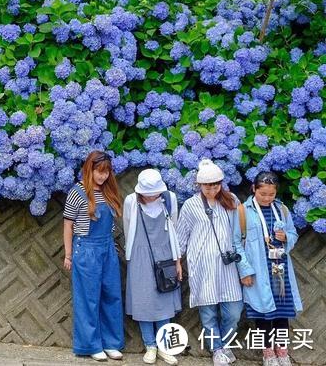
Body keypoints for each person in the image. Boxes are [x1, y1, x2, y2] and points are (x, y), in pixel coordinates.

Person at [176, 159, 243, 366]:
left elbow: (241, 232)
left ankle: (225, 344)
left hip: (228, 266)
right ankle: (217, 349)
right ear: (199, 185)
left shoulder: (232, 201)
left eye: (215, 185)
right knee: (208, 312)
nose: (212, 189)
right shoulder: (190, 205)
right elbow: (181, 236)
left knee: (233, 310)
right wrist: (178, 262)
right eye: (207, 186)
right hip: (202, 266)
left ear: (221, 183)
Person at [232, 171, 302, 366]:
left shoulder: (282, 209)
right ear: (254, 189)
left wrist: (286, 237)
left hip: (281, 272)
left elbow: (293, 234)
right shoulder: (243, 211)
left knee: (282, 314)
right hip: (259, 272)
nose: (267, 198)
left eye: (271, 194)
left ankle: (282, 352)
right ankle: (268, 354)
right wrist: (245, 271)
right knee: (262, 316)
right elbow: (236, 243)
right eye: (263, 194)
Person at [62, 150, 124, 361]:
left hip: (107, 248)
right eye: (99, 171)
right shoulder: (77, 192)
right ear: (89, 169)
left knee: (111, 295)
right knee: (88, 299)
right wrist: (68, 254)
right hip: (85, 249)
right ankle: (90, 344)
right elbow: (68, 225)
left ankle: (111, 343)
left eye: (106, 172)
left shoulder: (109, 191)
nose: (102, 176)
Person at [123, 169, 182, 365]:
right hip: (139, 255)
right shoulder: (131, 201)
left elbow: (173, 227)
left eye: (155, 192)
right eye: (149, 193)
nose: (153, 196)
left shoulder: (170, 199)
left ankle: (164, 345)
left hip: (165, 255)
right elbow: (128, 227)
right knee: (143, 301)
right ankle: (150, 345)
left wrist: (177, 260)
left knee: (165, 299)